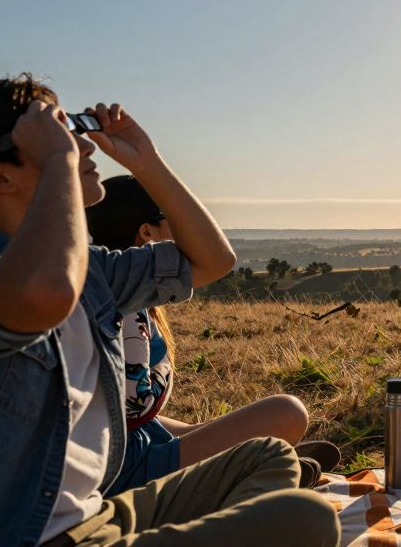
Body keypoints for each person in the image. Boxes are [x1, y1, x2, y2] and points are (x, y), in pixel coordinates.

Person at [0, 75, 339, 547]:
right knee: (305, 519)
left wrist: (147, 162)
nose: (83, 146)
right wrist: (60, 163)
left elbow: (212, 261)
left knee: (267, 456)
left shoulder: (92, 272)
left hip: (94, 515)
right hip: (12, 537)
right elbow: (42, 296)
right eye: (59, 133)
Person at [86, 174, 342, 494]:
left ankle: (256, 462)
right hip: (128, 468)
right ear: (147, 232)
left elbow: (122, 413)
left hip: (131, 446)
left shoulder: (110, 291)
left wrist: (199, 431)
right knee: (288, 413)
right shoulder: (127, 310)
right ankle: (250, 471)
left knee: (244, 424)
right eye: (171, 217)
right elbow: (133, 408)